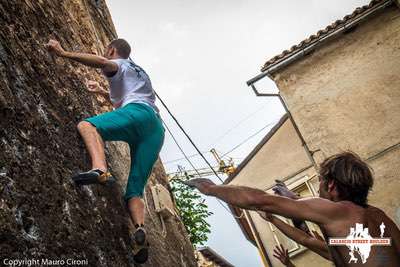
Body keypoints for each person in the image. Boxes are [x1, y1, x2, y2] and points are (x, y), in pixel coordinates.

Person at [46, 38, 165, 264]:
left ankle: (100, 169)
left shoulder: (119, 62)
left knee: (88, 125)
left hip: (138, 114)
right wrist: (103, 92)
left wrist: (63, 53)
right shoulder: (139, 71)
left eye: (107, 51)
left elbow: (103, 62)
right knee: (135, 190)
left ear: (112, 50)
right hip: (155, 129)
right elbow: (127, 99)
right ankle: (139, 229)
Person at [185, 152, 400, 266]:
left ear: (331, 185)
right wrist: (277, 217)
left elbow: (260, 200)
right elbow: (308, 241)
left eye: (320, 183)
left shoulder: (340, 213)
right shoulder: (378, 222)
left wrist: (211, 188)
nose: (318, 189)